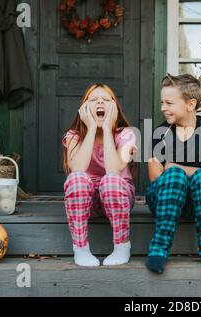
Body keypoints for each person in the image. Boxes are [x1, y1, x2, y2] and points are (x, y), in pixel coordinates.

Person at [146, 74, 201, 274]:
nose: (163, 108)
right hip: (163, 200)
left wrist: (174, 166)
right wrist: (176, 171)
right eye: (162, 102)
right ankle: (159, 248)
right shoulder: (160, 132)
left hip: (196, 203)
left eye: (169, 103)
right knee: (174, 176)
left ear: (190, 104)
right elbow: (155, 176)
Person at [62, 84, 137, 267]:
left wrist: (107, 128)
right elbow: (77, 169)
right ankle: (80, 248)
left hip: (117, 197)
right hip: (87, 202)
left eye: (105, 100)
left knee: (110, 180)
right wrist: (91, 129)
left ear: (115, 107)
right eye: (93, 100)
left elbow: (113, 169)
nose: (100, 103)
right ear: (84, 108)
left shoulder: (127, 135)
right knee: (77, 179)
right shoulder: (73, 136)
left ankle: (121, 246)